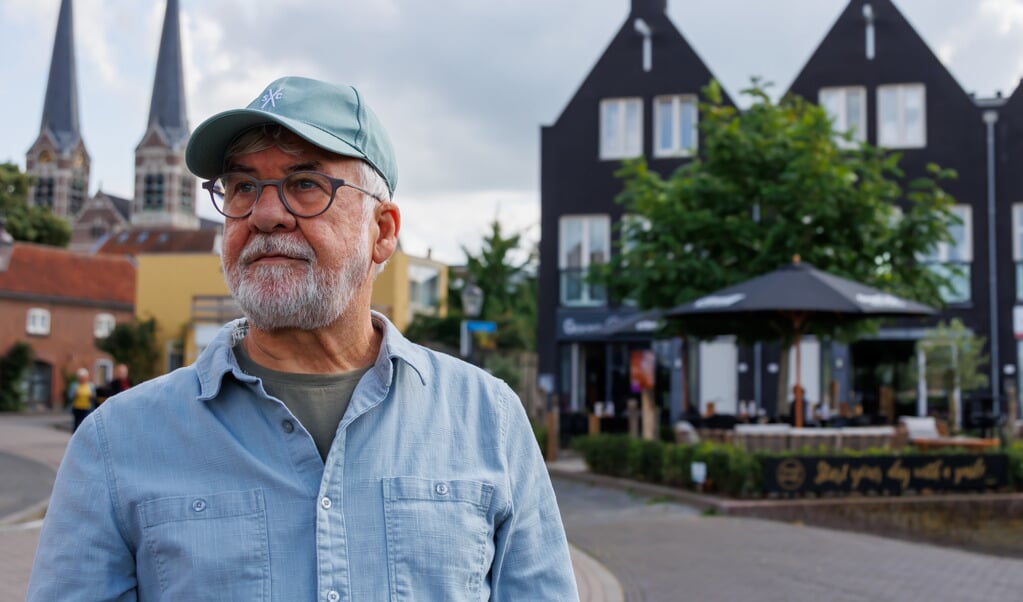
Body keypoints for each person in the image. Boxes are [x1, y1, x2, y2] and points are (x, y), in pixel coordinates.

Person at [28, 76, 579, 601]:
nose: (265, 214)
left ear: (382, 231)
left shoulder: (490, 422)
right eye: (242, 187)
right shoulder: (115, 445)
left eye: (305, 184)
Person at [67, 367, 96, 433]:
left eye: (84, 377)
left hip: (87, 407)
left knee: (85, 424)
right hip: (77, 407)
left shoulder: (91, 386)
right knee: (76, 424)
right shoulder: (74, 385)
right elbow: (69, 396)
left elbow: (94, 397)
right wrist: (75, 395)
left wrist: (91, 396)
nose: (83, 379)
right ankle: (75, 439)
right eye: (81, 378)